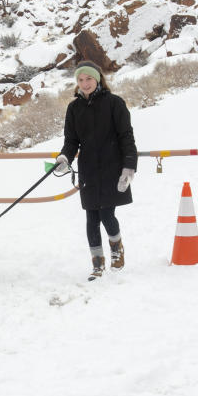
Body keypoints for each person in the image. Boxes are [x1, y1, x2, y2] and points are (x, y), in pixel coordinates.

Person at [53, 61, 137, 280]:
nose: (84, 83)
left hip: (112, 168)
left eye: (88, 78)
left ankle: (117, 249)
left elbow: (126, 136)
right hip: (89, 169)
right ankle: (97, 263)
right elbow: (71, 141)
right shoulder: (74, 108)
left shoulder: (114, 103)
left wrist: (129, 166)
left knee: (107, 214)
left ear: (98, 79)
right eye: (80, 80)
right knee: (91, 217)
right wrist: (64, 157)